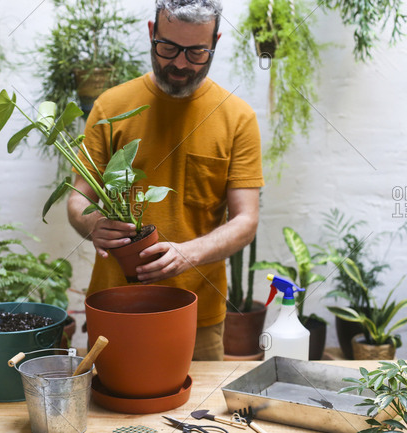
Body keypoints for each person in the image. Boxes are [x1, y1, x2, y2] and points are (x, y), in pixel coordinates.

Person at [67, 0, 263, 361]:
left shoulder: (238, 118)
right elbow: (78, 198)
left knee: (196, 409)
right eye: (168, 47)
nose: (180, 63)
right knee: (109, 411)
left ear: (215, 42)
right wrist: (92, 222)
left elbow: (246, 220)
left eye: (197, 52)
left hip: (197, 315)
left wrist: (188, 254)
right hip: (113, 308)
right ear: (151, 32)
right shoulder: (111, 106)